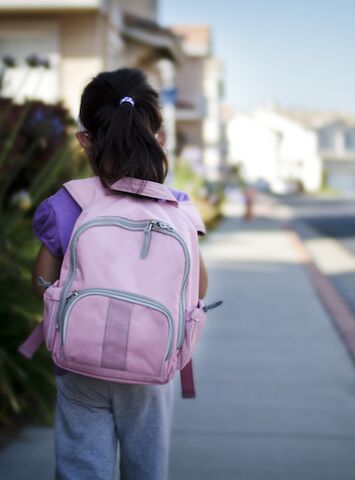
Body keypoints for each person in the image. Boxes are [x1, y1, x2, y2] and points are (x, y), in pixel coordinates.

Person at [31, 68, 208, 480]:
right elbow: (197, 287)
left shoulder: (68, 202)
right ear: (158, 139)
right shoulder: (177, 207)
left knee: (81, 465)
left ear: (85, 140)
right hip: (151, 364)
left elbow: (41, 284)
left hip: (79, 362)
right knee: (146, 468)